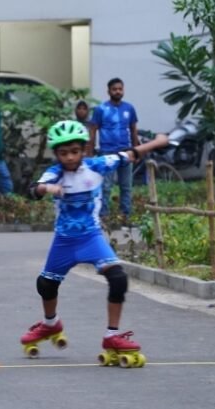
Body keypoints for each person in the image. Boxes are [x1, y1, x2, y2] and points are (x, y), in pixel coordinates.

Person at [20, 120, 166, 367]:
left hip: (91, 237)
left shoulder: (96, 166)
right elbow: (33, 190)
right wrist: (46, 189)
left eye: (74, 152)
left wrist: (157, 142)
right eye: (63, 153)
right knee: (45, 284)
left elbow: (130, 154)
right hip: (64, 241)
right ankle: (50, 324)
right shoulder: (55, 172)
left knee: (118, 278)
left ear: (84, 150)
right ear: (57, 154)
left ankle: (112, 335)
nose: (69, 157)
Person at [89, 78, 139, 223]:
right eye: (114, 89)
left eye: (120, 89)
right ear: (108, 91)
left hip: (126, 152)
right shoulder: (100, 109)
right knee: (105, 186)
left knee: (126, 186)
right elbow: (93, 130)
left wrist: (136, 150)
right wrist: (90, 151)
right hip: (107, 152)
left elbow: (133, 129)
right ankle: (104, 215)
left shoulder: (129, 108)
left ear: (123, 90)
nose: (117, 91)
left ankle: (125, 216)